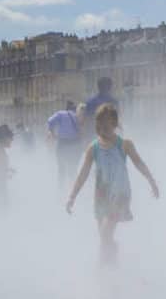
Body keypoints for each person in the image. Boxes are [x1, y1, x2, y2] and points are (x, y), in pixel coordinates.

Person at [66, 102, 160, 264]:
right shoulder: (93, 148)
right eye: (100, 124)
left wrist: (152, 181)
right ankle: (111, 266)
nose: (103, 128)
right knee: (104, 238)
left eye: (107, 124)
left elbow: (139, 164)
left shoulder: (124, 145)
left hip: (120, 195)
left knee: (105, 235)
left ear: (115, 124)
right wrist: (72, 196)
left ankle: (103, 270)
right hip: (101, 195)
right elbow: (83, 174)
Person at [47, 99, 83, 190]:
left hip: (62, 144)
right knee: (73, 169)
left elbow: (50, 121)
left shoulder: (60, 114)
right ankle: (73, 189)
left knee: (61, 169)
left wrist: (52, 132)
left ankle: (61, 191)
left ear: (66, 108)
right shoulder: (77, 116)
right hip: (74, 145)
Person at [0, 121, 17, 206]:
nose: (12, 139)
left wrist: (9, 170)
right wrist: (8, 174)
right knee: (2, 207)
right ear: (3, 139)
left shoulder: (0, 152)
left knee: (2, 206)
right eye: (10, 137)